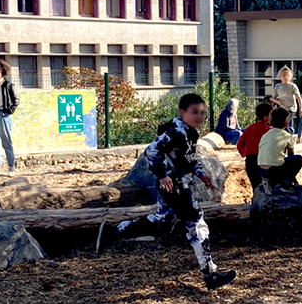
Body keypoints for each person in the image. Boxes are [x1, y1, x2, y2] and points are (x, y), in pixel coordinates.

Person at [98, 93, 236, 290]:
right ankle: (210, 274)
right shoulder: (175, 132)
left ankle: (113, 231)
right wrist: (162, 175)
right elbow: (151, 151)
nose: (199, 116)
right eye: (194, 112)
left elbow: (189, 158)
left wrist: (201, 174)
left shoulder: (189, 132)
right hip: (175, 188)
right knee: (197, 224)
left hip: (176, 186)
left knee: (162, 222)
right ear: (182, 112)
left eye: (202, 113)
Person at [257, 107, 302, 192]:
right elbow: (291, 155)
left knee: (275, 160)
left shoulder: (265, 135)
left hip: (261, 170)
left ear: (270, 122)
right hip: (275, 169)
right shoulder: (287, 135)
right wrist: (292, 178)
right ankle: (286, 185)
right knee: (298, 159)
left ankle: (268, 180)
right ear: (286, 123)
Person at [236, 103, 273, 190]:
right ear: (266, 117)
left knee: (255, 185)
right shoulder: (269, 130)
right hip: (264, 160)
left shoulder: (250, 128)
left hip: (250, 160)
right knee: (266, 185)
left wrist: (244, 154)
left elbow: (239, 144)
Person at [273, 67, 302, 135]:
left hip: (291, 108)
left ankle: (290, 136)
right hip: (282, 108)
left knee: (285, 122)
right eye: (283, 75)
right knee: (281, 124)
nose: (285, 77)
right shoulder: (278, 86)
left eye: (287, 75)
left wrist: (301, 108)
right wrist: (277, 102)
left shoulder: (293, 86)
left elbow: (298, 97)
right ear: (280, 77)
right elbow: (273, 98)